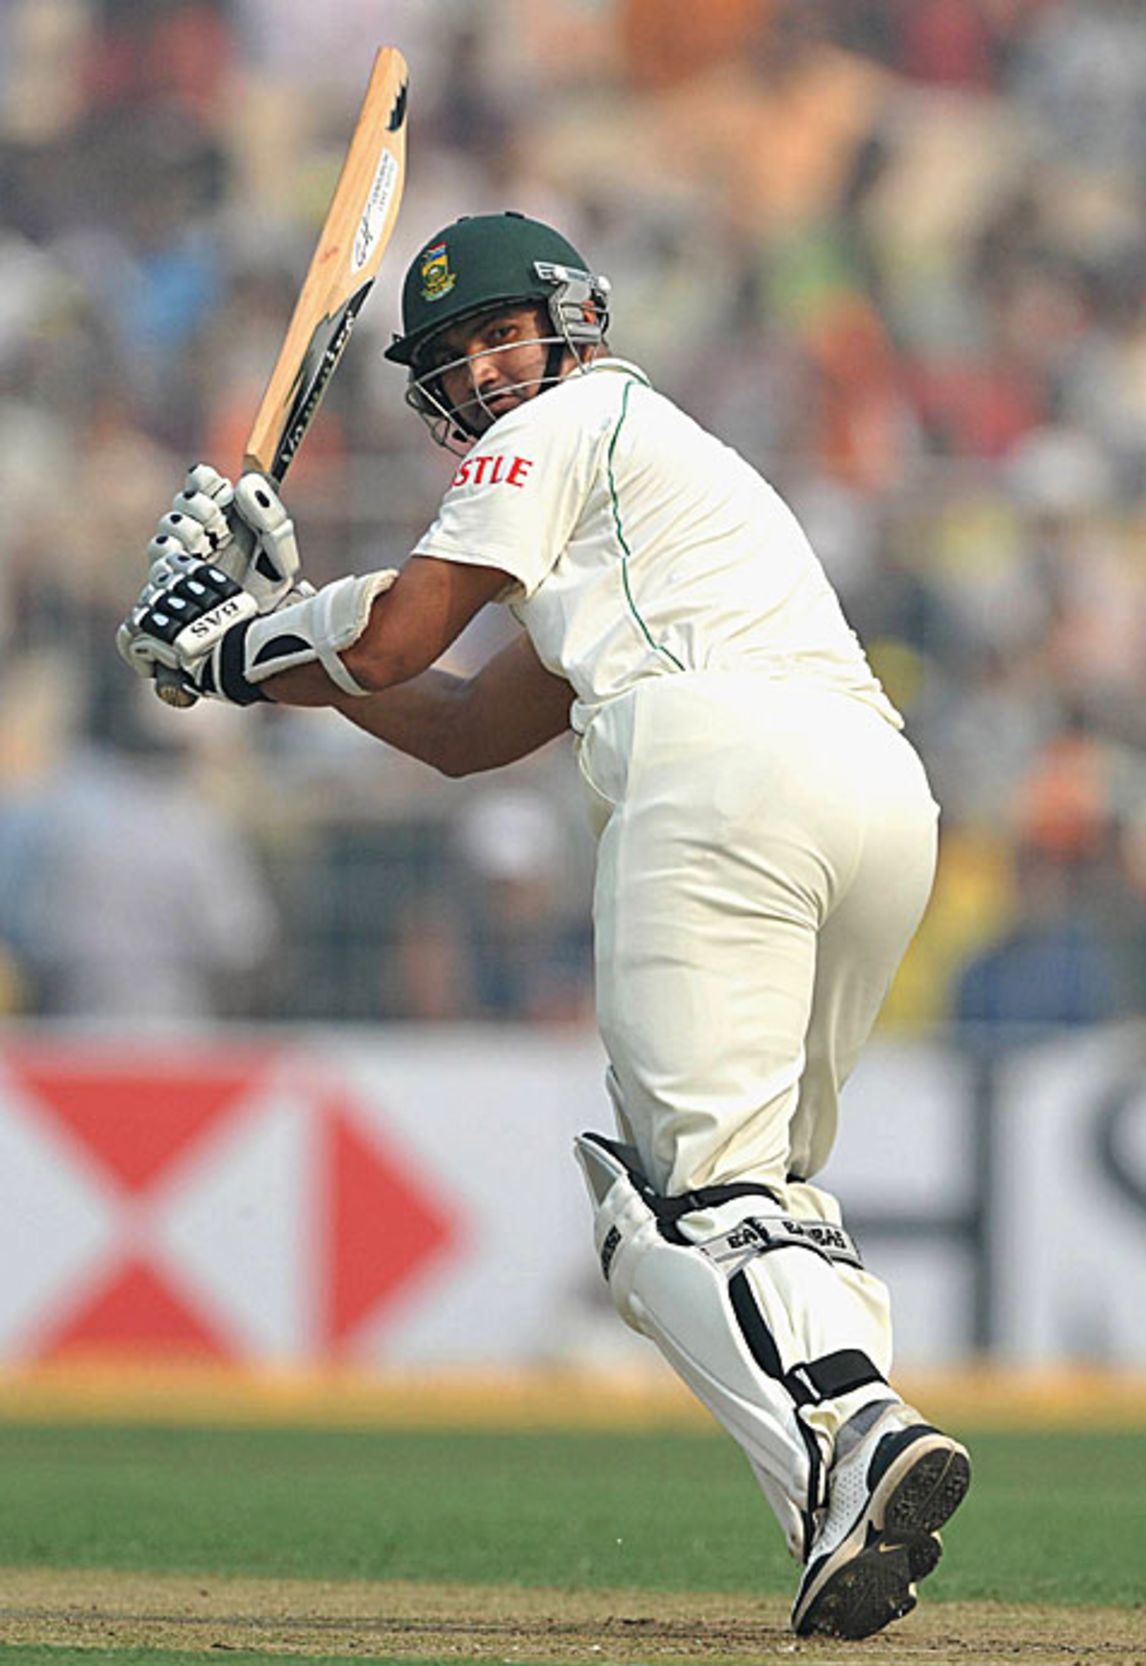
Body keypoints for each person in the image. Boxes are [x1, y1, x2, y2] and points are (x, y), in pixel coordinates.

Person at [116, 210, 970, 1641]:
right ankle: (838, 1493)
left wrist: (222, 639)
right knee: (766, 1199)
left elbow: (391, 637)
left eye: (502, 334)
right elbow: (454, 723)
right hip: (881, 799)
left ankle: (862, 1421)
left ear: (572, 326)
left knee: (669, 1214)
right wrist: (267, 642)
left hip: (718, 772)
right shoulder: (644, 491)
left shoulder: (567, 421)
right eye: (455, 356)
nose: (487, 371)